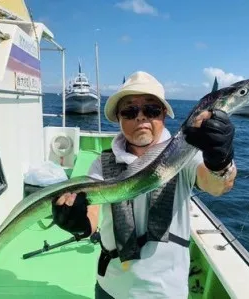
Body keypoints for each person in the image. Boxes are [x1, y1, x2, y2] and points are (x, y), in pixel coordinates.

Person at [52, 71, 237, 298]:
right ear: (119, 119)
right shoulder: (102, 163)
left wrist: (221, 160)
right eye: (130, 111)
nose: (141, 117)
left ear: (164, 116)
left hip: (166, 293)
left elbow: (218, 185)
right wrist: (76, 222)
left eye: (151, 110)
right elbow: (91, 216)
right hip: (109, 289)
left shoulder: (185, 156)